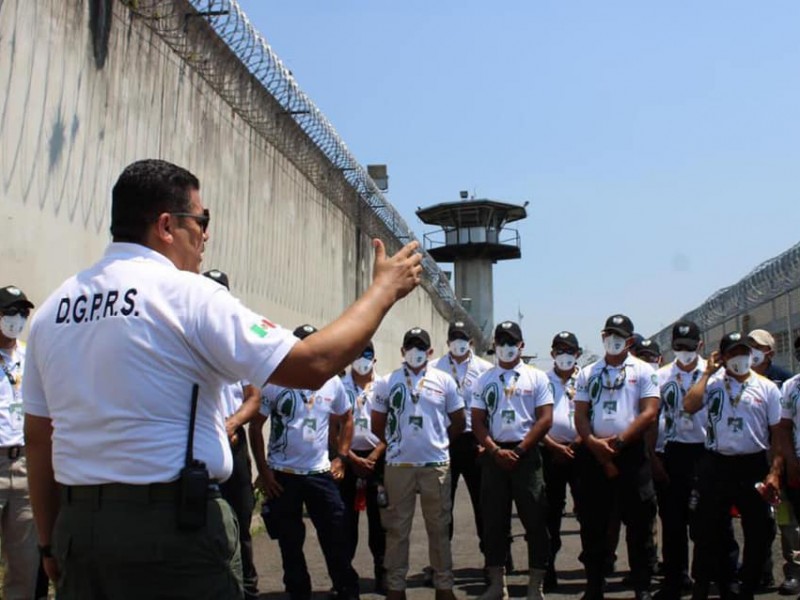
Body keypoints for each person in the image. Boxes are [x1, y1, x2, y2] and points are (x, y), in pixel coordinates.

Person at [22, 159, 422, 599]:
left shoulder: (53, 312)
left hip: (82, 531)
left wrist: (49, 541)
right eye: (202, 220)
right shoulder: (187, 295)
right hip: (173, 530)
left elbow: (40, 439)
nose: (206, 234)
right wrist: (384, 290)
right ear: (166, 225)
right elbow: (312, 364)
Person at [251, 324, 360, 600]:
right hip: (283, 474)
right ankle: (299, 591)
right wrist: (264, 471)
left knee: (335, 532)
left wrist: (342, 458)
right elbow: (255, 428)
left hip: (319, 473)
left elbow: (347, 418)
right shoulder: (274, 383)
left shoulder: (332, 382)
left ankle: (346, 588)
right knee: (290, 540)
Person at [683, 332, 783, 600]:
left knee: (759, 531)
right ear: (722, 357)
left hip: (753, 464)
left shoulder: (766, 387)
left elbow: (778, 436)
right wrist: (706, 373)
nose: (739, 358)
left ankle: (747, 587)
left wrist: (774, 473)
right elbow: (689, 405)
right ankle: (708, 584)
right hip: (717, 464)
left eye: (744, 352)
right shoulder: (713, 383)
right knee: (708, 531)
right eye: (733, 353)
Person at [371, 327, 465, 600]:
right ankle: (396, 586)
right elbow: (378, 425)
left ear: (430, 351)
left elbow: (458, 420)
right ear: (402, 351)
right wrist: (396, 444)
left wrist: (438, 440)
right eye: (410, 346)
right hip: (398, 466)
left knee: (439, 527)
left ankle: (444, 585)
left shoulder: (444, 380)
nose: (415, 352)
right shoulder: (387, 382)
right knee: (397, 529)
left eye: (420, 347)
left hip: (435, 464)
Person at [574, 314, 660, 600]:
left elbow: (649, 411)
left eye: (619, 336)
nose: (613, 340)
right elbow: (581, 414)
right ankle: (594, 585)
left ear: (630, 341)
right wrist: (591, 442)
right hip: (595, 455)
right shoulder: (588, 373)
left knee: (639, 525)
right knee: (593, 524)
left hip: (631, 455)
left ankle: (642, 586)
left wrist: (621, 441)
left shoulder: (645, 371)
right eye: (609, 334)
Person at [472, 320, 554, 600]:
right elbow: (478, 422)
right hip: (494, 456)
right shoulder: (483, 379)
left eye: (512, 342)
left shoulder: (536, 377)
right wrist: (495, 451)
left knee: (535, 518)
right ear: (494, 346)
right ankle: (497, 584)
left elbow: (545, 419)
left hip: (527, 455)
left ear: (522, 345)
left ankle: (535, 585)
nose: (506, 347)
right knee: (494, 521)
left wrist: (520, 450)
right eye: (501, 342)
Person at [203, 269, 262, 600]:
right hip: (200, 450)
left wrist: (233, 423)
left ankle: (247, 589)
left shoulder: (239, 345)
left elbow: (253, 398)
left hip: (233, 445)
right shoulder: (186, 338)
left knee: (240, 524)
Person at [431, 320, 493, 568]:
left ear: (471, 342)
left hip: (476, 441)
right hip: (446, 440)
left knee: (484, 504)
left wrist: (486, 441)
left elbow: (491, 407)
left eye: (463, 338)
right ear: (447, 342)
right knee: (443, 506)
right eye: (454, 338)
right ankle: (441, 563)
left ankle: (493, 560)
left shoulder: (485, 369)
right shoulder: (435, 369)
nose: (458, 343)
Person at [653, 321, 707, 599]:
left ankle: (703, 579)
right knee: (672, 521)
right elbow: (653, 419)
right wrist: (653, 456)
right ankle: (675, 578)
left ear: (699, 346)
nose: (683, 352)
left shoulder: (713, 374)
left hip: (704, 453)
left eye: (688, 347)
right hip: (673, 452)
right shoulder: (661, 377)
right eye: (678, 347)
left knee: (703, 521)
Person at [0, 285, 45, 600]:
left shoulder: (31, 357)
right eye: (10, 312)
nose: (17, 320)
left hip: (24, 466)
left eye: (22, 313)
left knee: (25, 565)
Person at [746, 328, 798, 592]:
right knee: (764, 519)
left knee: (788, 519)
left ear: (770, 352)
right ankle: (762, 570)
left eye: (757, 346)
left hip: (782, 458)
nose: (751, 351)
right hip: (757, 458)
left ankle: (794, 570)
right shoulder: (740, 378)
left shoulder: (784, 381)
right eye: (748, 345)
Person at [339, 341, 388, 593]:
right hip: (346, 460)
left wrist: (375, 455)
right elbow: (331, 424)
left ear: (374, 358)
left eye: (367, 354)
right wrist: (347, 455)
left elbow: (391, 425)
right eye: (357, 354)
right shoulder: (339, 386)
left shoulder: (384, 386)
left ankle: (383, 573)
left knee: (380, 521)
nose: (362, 359)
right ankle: (345, 577)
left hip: (377, 459)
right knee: (345, 521)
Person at [541, 331, 582, 592]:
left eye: (569, 350)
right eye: (559, 350)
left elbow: (596, 413)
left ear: (577, 354)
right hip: (550, 451)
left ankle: (594, 570)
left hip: (582, 451)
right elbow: (533, 419)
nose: (564, 355)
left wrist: (579, 441)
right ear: (552, 353)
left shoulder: (589, 378)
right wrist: (554, 446)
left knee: (589, 512)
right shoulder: (541, 380)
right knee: (550, 513)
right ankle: (548, 569)